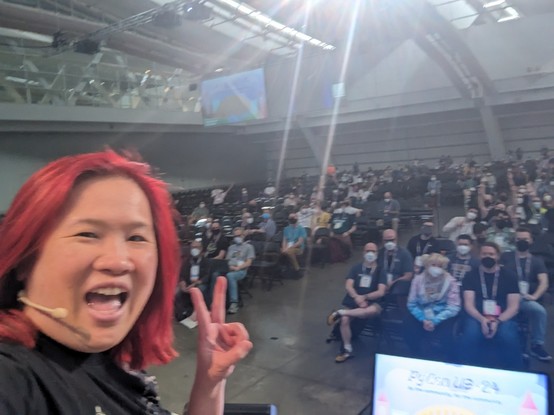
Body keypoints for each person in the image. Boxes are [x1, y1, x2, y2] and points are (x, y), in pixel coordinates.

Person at [0, 151, 252, 414]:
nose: (119, 261)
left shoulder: (110, 358)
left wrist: (209, 382)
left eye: (136, 237)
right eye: (87, 234)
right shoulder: (14, 377)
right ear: (25, 260)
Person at [460, 242, 523, 370]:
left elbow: (513, 306)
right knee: (470, 335)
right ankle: (466, 369)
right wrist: (482, 319)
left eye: (491, 254)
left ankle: (516, 371)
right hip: (476, 315)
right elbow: (468, 304)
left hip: (503, 316)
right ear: (479, 256)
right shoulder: (470, 275)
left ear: (498, 256)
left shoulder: (510, 276)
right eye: (484, 254)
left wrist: (497, 321)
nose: (487, 256)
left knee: (508, 337)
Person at [326, 243, 386, 363]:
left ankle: (340, 312)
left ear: (377, 254)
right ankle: (347, 349)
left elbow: (381, 292)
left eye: (373, 251)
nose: (370, 253)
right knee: (345, 320)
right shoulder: (356, 268)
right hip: (354, 300)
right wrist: (356, 297)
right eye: (368, 251)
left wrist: (364, 297)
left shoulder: (380, 270)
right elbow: (348, 286)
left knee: (369, 311)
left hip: (372, 301)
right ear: (363, 253)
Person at [500, 228, 551, 361]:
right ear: (514, 241)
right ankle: (517, 344)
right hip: (506, 298)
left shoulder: (537, 260)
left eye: (525, 239)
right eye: (519, 239)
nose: (522, 242)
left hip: (525, 298)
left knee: (539, 311)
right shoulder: (506, 256)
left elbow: (544, 282)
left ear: (531, 241)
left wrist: (534, 296)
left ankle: (536, 345)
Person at [403, 254, 460, 360]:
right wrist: (423, 319)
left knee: (448, 334)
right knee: (408, 325)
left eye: (439, 266)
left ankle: (446, 358)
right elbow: (411, 303)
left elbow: (454, 306)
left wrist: (435, 321)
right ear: (427, 265)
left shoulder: (451, 282)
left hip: (442, 314)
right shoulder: (418, 280)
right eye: (433, 265)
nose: (436, 268)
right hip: (421, 312)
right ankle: (415, 354)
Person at [176, 239, 212, 329]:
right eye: (193, 247)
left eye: (197, 247)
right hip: (188, 283)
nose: (194, 249)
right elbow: (181, 274)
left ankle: (196, 312)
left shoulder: (206, 261)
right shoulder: (187, 261)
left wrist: (196, 283)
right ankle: (182, 312)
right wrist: (182, 282)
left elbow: (207, 276)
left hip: (200, 283)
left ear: (201, 249)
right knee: (176, 292)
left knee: (198, 290)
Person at [225, 227, 255, 314]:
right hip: (229, 268)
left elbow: (249, 262)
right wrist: (229, 266)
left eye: (239, 235)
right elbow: (227, 260)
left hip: (241, 270)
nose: (237, 237)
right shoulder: (231, 247)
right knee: (216, 274)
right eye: (235, 236)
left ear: (243, 235)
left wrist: (238, 268)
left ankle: (234, 303)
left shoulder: (249, 247)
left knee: (230, 276)